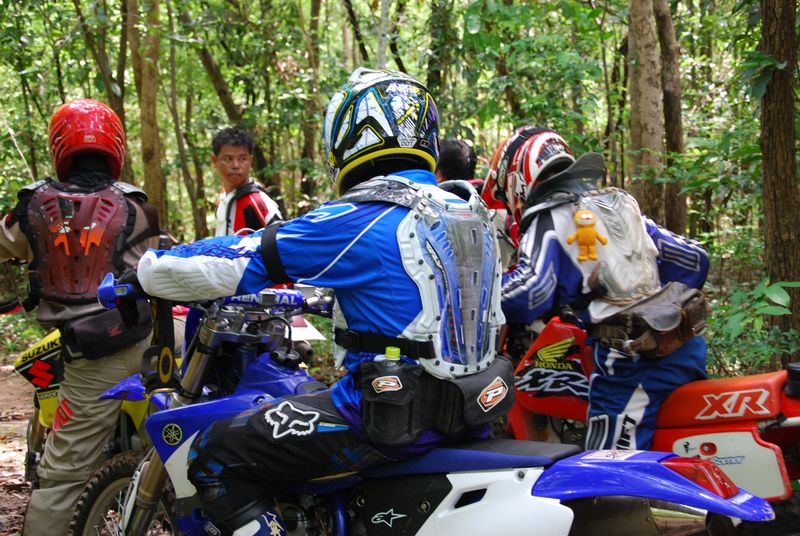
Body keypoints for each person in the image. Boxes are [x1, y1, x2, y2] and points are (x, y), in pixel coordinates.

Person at [134, 67, 512, 536]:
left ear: (350, 134)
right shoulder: (468, 211)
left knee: (213, 455)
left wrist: (149, 269)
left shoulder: (361, 215)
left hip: (387, 419)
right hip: (472, 409)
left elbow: (242, 260)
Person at [0, 99, 160, 535]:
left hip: (95, 352)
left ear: (59, 145)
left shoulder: (32, 206)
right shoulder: (137, 207)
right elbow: (158, 266)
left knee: (63, 475)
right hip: (151, 337)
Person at [498, 127, 709, 451]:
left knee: (604, 468)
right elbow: (694, 260)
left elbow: (529, 292)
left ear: (519, 180)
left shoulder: (550, 218)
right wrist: (655, 302)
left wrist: (477, 297)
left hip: (630, 361)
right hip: (683, 345)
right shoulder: (617, 204)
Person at [211, 127, 281, 236]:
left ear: (250, 161)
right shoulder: (224, 197)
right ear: (215, 161)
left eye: (242, 159)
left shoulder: (257, 202)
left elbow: (281, 240)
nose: (235, 165)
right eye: (228, 159)